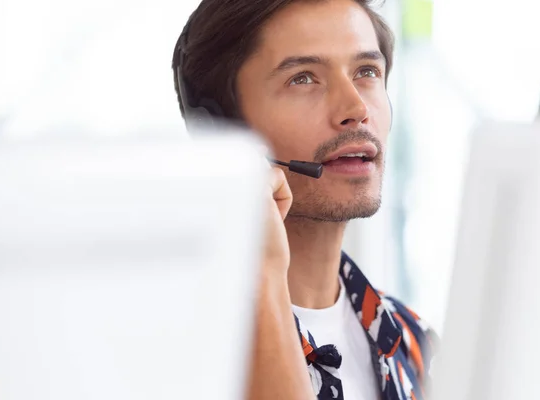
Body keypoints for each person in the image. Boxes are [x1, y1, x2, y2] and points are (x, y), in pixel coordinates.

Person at [171, 1, 437, 399]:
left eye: (366, 72)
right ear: (220, 131)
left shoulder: (412, 341)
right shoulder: (174, 343)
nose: (356, 109)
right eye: (304, 78)